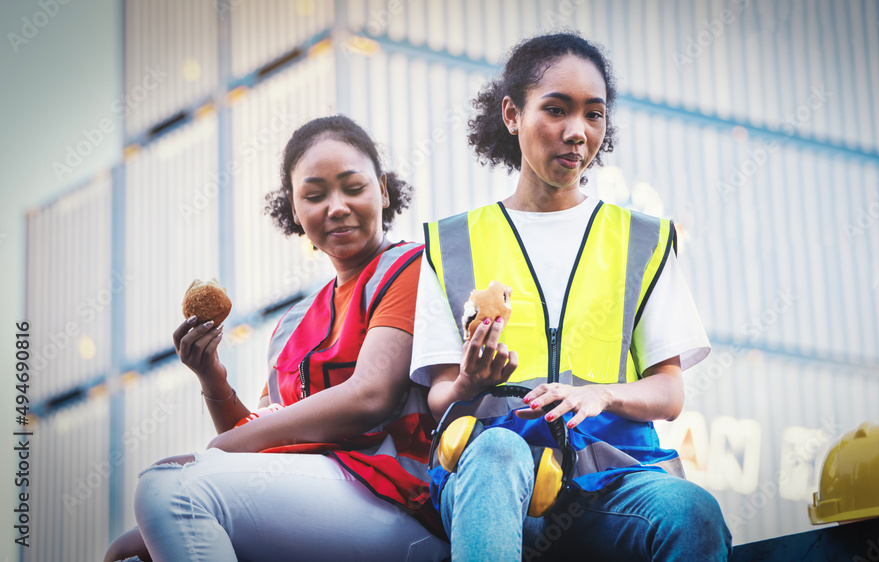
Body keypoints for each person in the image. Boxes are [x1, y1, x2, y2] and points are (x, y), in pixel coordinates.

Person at [410, 32, 732, 560]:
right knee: (495, 450)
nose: (577, 132)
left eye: (594, 114)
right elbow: (439, 395)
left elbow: (669, 394)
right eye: (556, 110)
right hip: (495, 487)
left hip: (611, 483)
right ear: (512, 114)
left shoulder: (643, 241)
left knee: (691, 510)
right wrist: (469, 380)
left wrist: (602, 394)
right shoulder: (449, 244)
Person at [106, 115, 449, 562]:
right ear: (293, 208)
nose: (337, 206)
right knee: (127, 552)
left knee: (168, 492)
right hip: (321, 498)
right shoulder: (294, 323)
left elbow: (371, 397)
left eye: (353, 187)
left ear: (382, 190)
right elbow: (262, 445)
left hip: (401, 503)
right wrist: (213, 379)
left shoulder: (409, 268)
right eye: (315, 195)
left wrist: (219, 449)